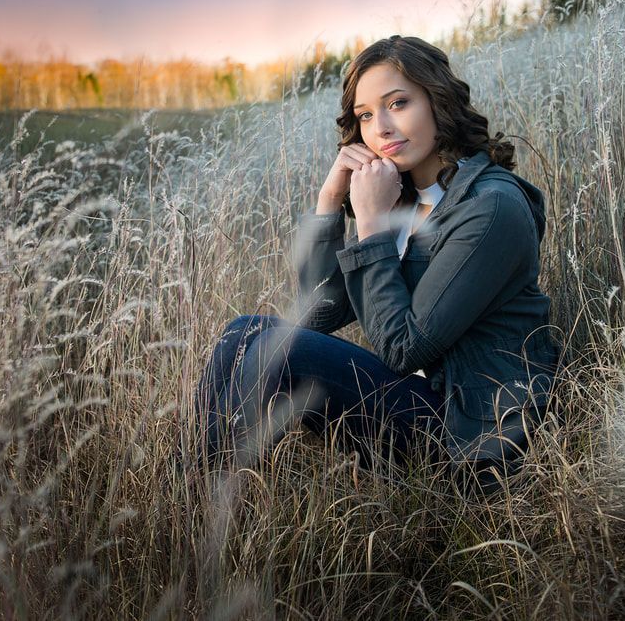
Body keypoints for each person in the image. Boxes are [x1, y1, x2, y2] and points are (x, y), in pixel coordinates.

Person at [192, 34, 563, 495]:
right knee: (242, 333)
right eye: (366, 115)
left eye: (398, 103)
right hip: (423, 401)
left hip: (471, 431)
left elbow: (403, 350)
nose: (381, 127)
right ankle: (200, 494)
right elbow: (317, 313)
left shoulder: (490, 207)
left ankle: (210, 498)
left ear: (438, 101)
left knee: (280, 350)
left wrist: (370, 223)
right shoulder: (404, 199)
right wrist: (330, 202)